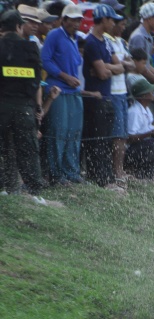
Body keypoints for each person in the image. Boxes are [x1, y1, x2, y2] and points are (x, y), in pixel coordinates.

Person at [0, 9, 45, 195]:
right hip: (24, 107)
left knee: (3, 148)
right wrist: (36, 106)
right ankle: (34, 192)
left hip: (1, 105)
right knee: (28, 150)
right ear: (19, 27)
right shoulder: (31, 48)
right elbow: (35, 81)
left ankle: (5, 188)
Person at [41, 3, 85, 185]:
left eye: (78, 21)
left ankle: (72, 172)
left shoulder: (74, 39)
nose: (76, 24)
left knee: (74, 133)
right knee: (58, 132)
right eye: (72, 20)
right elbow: (45, 60)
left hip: (73, 92)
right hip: (57, 90)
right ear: (64, 19)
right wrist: (65, 76)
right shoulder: (54, 35)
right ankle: (55, 173)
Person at [82, 4, 125, 188]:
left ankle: (104, 177)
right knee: (98, 141)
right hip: (95, 99)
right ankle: (102, 179)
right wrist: (108, 69)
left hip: (106, 96)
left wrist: (107, 68)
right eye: (111, 19)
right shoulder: (91, 42)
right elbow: (102, 73)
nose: (114, 23)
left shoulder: (106, 41)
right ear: (104, 20)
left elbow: (121, 67)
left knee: (105, 140)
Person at [104, 11, 134, 184]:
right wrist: (122, 65)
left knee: (122, 133)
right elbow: (121, 65)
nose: (123, 28)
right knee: (116, 133)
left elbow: (131, 64)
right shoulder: (107, 40)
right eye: (121, 24)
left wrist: (121, 65)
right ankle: (115, 170)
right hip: (112, 92)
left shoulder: (121, 42)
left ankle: (120, 169)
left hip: (123, 91)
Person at [126, 78, 154, 178]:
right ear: (144, 96)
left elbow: (148, 128)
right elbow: (130, 138)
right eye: (150, 92)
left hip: (144, 145)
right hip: (132, 150)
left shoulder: (146, 109)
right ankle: (143, 174)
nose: (153, 93)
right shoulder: (134, 112)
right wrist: (150, 134)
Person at [129, 2, 154, 84]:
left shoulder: (148, 36)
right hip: (138, 82)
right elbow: (140, 67)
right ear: (149, 18)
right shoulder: (139, 37)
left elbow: (146, 64)